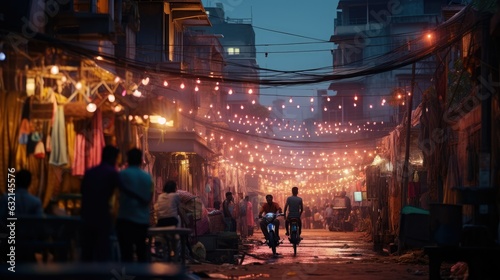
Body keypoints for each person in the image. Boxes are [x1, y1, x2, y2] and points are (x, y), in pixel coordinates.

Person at [80, 145, 123, 262]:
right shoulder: (112, 173)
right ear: (113, 158)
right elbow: (123, 191)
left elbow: (83, 191)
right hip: (102, 215)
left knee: (87, 250)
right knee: (103, 249)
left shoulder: (90, 172)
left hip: (86, 214)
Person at [116, 148, 153, 262]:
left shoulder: (122, 174)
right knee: (141, 252)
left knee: (126, 253)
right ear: (141, 160)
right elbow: (149, 198)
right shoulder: (147, 177)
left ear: (128, 159)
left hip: (125, 218)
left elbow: (116, 195)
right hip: (142, 220)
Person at [0, 169, 43, 262]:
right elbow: (39, 222)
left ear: (15, 182)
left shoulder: (6, 199)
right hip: (29, 242)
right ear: (29, 183)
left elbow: (2, 219)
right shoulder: (35, 201)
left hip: (9, 241)